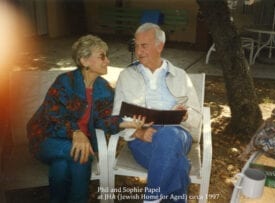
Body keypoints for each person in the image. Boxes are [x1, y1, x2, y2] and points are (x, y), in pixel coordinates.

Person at [27, 35, 143, 203]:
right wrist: (76, 132)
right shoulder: (65, 82)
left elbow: (106, 120)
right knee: (83, 153)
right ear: (84, 60)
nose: (108, 61)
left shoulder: (103, 88)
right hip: (46, 138)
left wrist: (129, 123)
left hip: (76, 146)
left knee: (61, 167)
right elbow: (53, 116)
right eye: (102, 56)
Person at [112, 23, 201, 203]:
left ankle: (151, 198)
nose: (138, 51)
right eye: (136, 45)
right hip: (143, 138)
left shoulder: (181, 75)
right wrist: (138, 132)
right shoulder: (126, 76)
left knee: (169, 135)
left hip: (178, 133)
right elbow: (117, 116)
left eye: (143, 45)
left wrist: (186, 115)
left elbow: (198, 118)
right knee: (180, 165)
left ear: (159, 46)